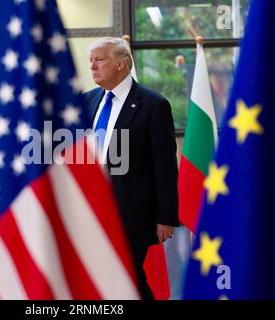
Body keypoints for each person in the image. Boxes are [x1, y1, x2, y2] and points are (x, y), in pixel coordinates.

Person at [84, 37, 179, 300]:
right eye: (90, 61)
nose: (92, 67)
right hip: (91, 210)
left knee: (126, 275)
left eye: (100, 60)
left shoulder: (153, 105)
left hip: (130, 212)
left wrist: (166, 217)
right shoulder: (88, 101)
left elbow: (165, 166)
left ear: (122, 64)